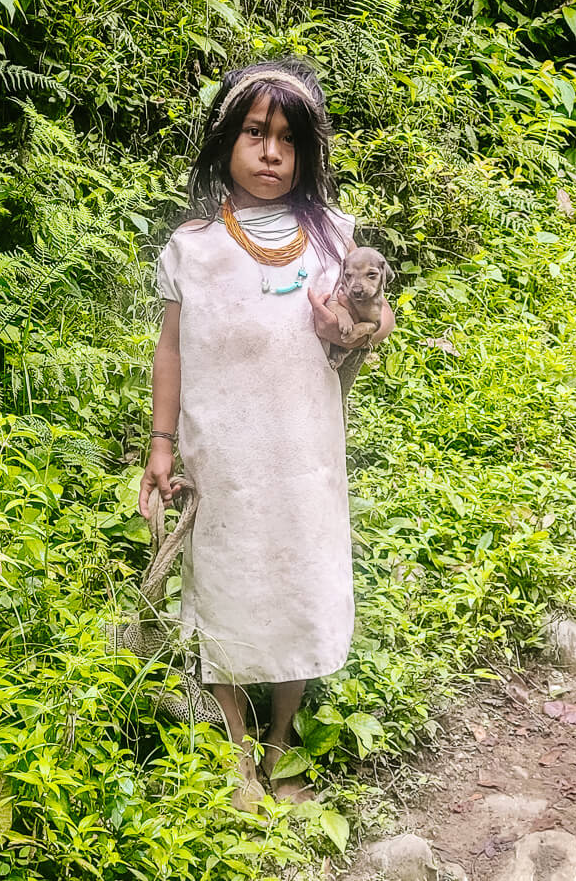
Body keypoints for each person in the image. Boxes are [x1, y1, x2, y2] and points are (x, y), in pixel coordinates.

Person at [138, 61, 395, 808]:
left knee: (296, 580)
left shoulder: (334, 236)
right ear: (226, 142)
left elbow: (378, 316)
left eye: (287, 138)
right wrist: (160, 444)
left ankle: (282, 743)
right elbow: (172, 348)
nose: (271, 153)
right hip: (222, 454)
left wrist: (348, 328)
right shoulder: (193, 247)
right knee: (225, 585)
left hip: (304, 454)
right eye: (256, 133)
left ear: (308, 151)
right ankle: (235, 750)